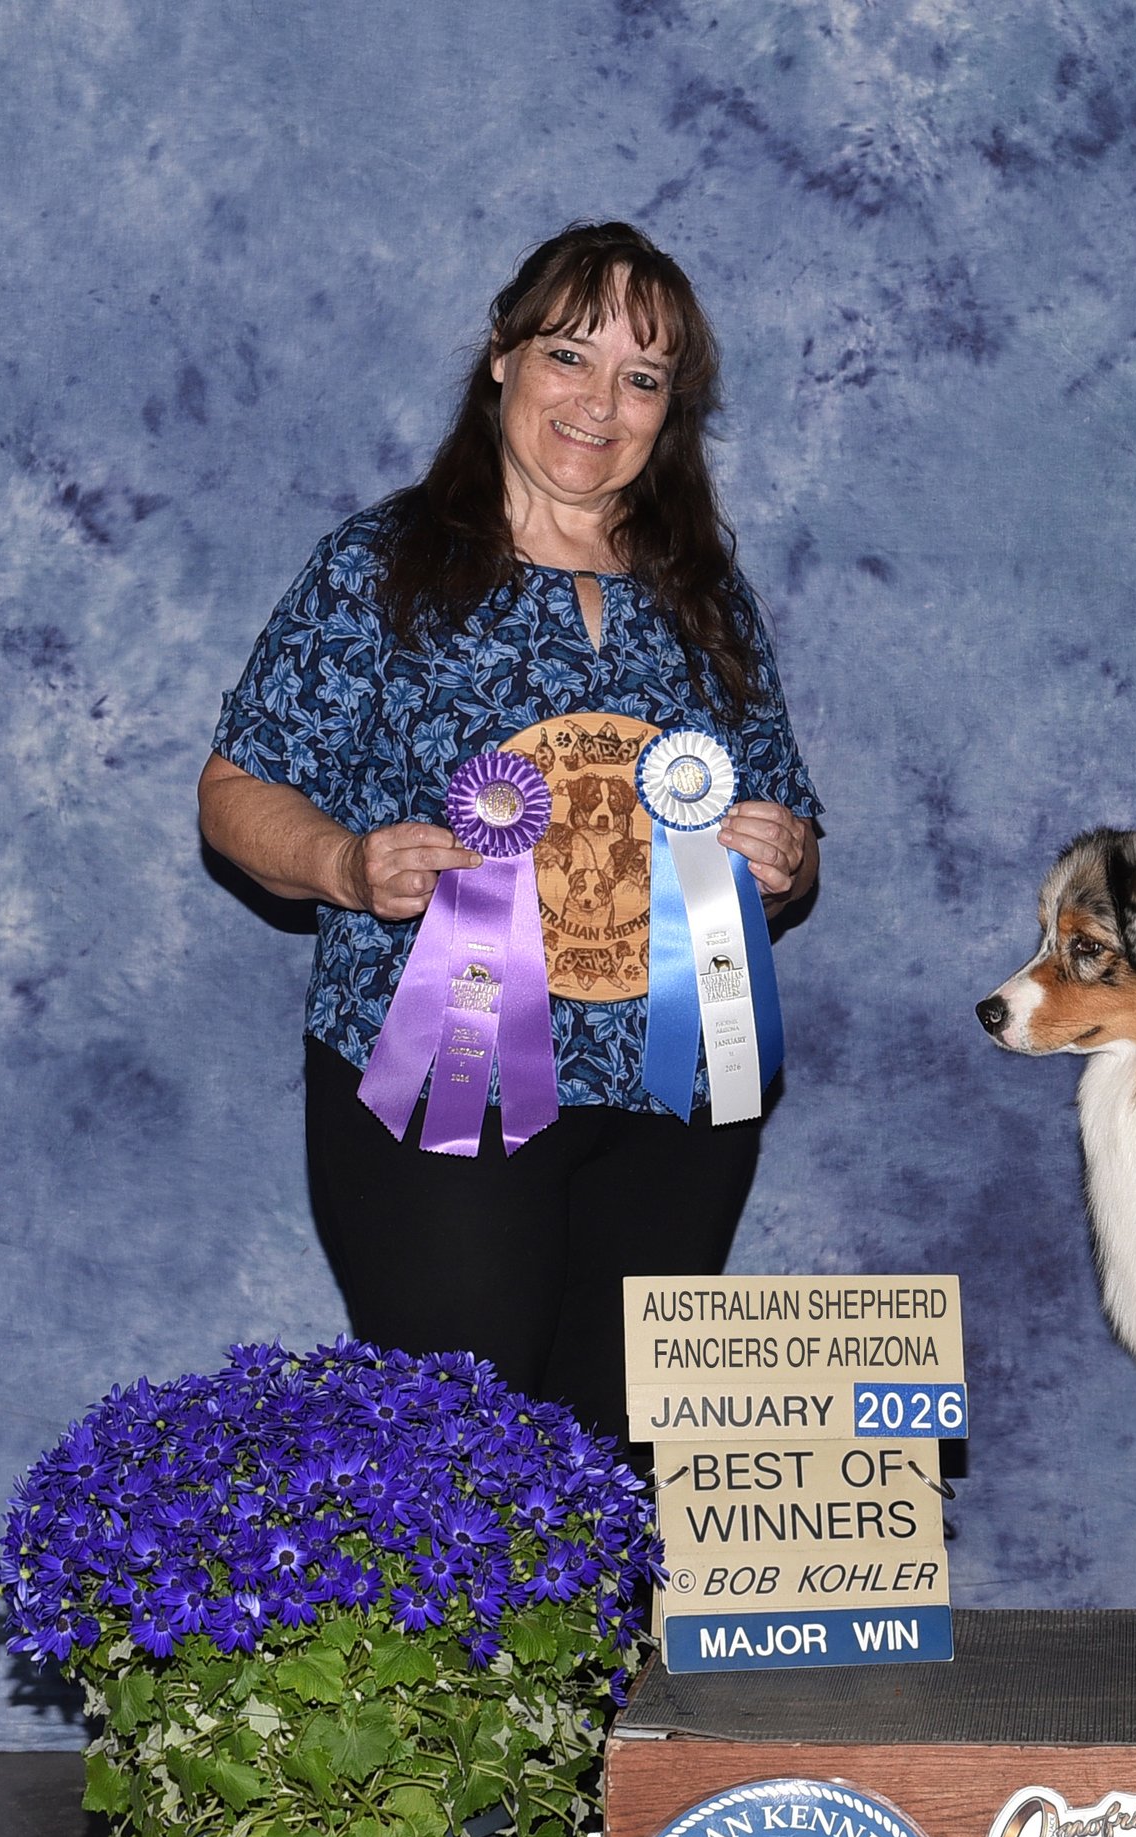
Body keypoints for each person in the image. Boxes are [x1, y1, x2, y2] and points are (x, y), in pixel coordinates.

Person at [199, 221, 820, 1453]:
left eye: (641, 378)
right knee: (464, 1462)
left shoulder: (705, 590)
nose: (599, 403)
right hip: (449, 1075)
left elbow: (781, 817)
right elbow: (235, 788)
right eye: (569, 357)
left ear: (670, 409)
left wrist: (784, 854)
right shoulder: (382, 564)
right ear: (502, 356)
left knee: (616, 1460)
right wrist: (342, 864)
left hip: (681, 1092)